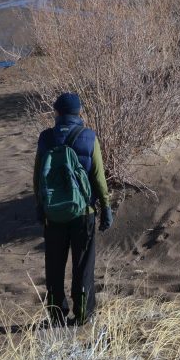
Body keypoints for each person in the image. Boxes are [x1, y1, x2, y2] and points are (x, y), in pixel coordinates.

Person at [33, 92, 113, 325]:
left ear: (57, 113)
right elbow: (98, 177)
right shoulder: (88, 137)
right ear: (79, 113)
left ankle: (57, 316)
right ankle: (83, 314)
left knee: (54, 267)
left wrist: (40, 206)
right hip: (83, 213)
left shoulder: (45, 138)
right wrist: (106, 207)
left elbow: (38, 177)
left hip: (54, 214)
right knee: (83, 266)